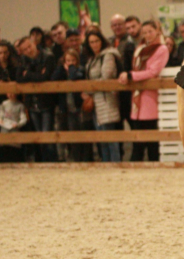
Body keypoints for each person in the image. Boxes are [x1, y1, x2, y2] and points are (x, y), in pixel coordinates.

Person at [119, 20, 167, 162]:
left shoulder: (161, 49)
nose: (147, 35)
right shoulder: (140, 47)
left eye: (150, 31)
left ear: (157, 31)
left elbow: (153, 71)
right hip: (138, 98)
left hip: (150, 98)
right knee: (137, 142)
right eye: (145, 32)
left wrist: (131, 76)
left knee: (152, 143)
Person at [17, 36, 58, 162]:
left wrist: (28, 74)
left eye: (29, 47)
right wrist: (37, 75)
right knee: (38, 135)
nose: (28, 51)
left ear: (34, 43)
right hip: (32, 103)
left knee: (47, 134)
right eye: (24, 50)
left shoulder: (48, 56)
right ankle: (42, 162)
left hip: (46, 102)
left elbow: (45, 78)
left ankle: (51, 161)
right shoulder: (23, 59)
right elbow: (18, 78)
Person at [83, 30, 121, 162]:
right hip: (95, 100)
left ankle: (115, 163)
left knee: (110, 138)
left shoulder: (108, 55)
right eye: (91, 42)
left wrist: (89, 90)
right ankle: (105, 163)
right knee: (102, 139)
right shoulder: (92, 58)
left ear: (102, 41)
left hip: (106, 100)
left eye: (96, 41)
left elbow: (106, 76)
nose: (94, 44)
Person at [51, 47, 91, 162]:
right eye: (68, 61)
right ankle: (66, 157)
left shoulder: (81, 70)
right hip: (65, 108)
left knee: (76, 135)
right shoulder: (61, 71)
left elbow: (74, 77)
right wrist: (61, 68)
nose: (70, 63)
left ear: (77, 61)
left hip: (77, 108)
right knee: (64, 134)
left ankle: (79, 159)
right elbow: (53, 79)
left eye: (73, 60)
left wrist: (72, 68)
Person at [108, 13, 136, 131]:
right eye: (114, 25)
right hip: (113, 90)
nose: (117, 27)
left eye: (120, 24)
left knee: (132, 123)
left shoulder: (130, 42)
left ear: (124, 25)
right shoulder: (108, 42)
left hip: (127, 89)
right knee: (116, 126)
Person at [0, 92, 27, 162]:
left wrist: (18, 124)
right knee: (4, 147)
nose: (10, 94)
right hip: (4, 129)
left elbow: (23, 118)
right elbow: (1, 115)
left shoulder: (20, 105)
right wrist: (0, 120)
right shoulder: (4, 103)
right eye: (8, 93)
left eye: (12, 92)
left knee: (14, 148)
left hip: (14, 129)